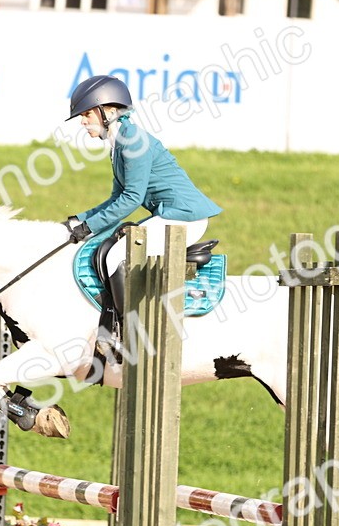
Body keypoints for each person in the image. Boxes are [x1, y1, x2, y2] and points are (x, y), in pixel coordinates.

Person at [63, 75, 222, 350]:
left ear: (109, 111)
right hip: (168, 213)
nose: (83, 121)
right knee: (109, 246)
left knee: (115, 255)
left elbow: (131, 198)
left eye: (87, 114)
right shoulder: (118, 142)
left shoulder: (132, 140)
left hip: (184, 216)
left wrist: (88, 228)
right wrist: (80, 219)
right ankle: (114, 324)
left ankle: (128, 336)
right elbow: (116, 197)